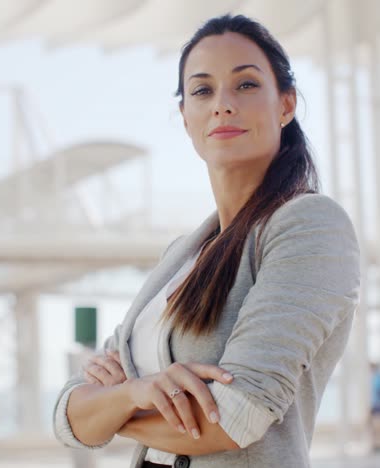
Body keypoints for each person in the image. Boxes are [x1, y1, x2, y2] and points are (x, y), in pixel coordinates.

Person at [53, 13, 361, 468]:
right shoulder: (180, 253)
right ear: (184, 117)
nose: (222, 104)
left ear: (286, 104)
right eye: (202, 90)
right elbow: (65, 415)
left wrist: (114, 405)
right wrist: (133, 393)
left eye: (246, 85)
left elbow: (237, 416)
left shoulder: (310, 224)